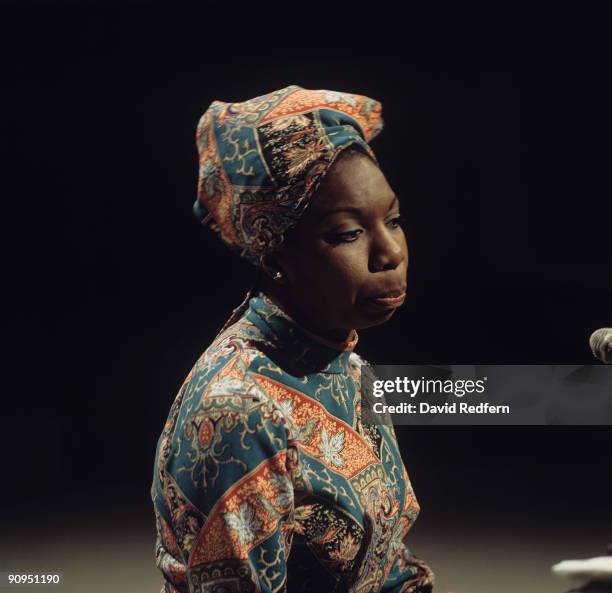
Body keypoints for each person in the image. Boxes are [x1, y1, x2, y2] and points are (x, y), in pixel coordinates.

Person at [151, 85, 435, 593]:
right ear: (275, 256)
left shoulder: (343, 364)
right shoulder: (239, 411)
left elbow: (392, 569)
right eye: (347, 233)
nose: (390, 252)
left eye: (393, 220)